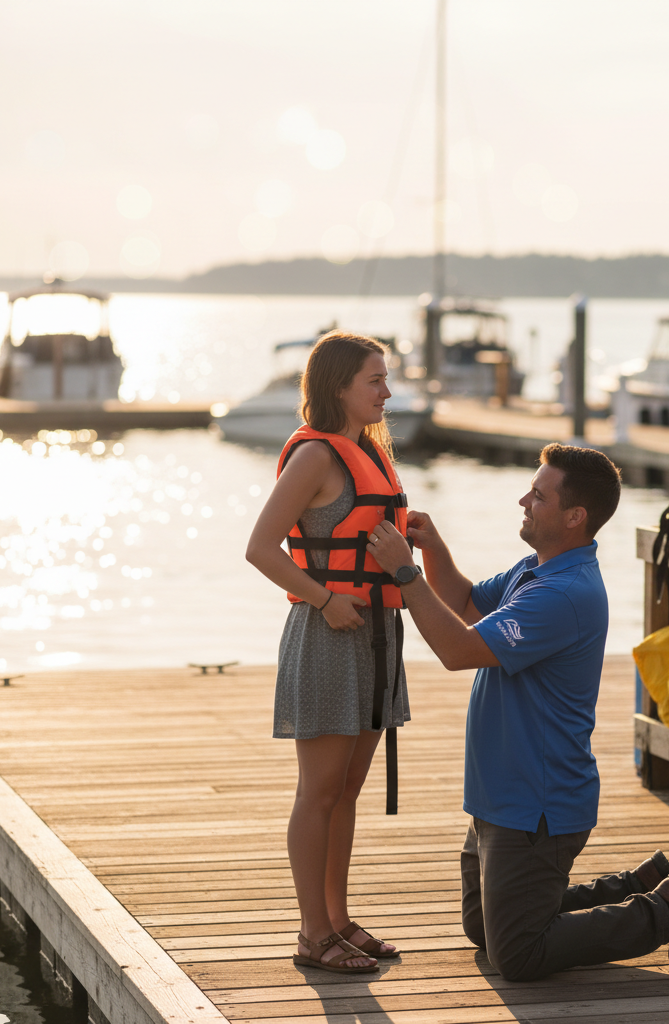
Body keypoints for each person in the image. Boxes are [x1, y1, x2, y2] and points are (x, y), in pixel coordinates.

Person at [367, 442, 669, 981]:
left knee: (517, 954)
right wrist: (432, 549)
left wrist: (403, 573)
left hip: (536, 806)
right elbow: (466, 603)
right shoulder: (538, 569)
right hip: (500, 795)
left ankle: (665, 912)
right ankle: (640, 883)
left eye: (538, 495)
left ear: (574, 516)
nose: (524, 500)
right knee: (482, 929)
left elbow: (458, 650)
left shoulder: (563, 594)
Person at [246, 330, 410, 975]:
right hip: (328, 634)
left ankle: (339, 921)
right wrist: (321, 598)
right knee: (318, 792)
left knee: (346, 791)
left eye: (386, 379)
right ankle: (313, 934)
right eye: (375, 380)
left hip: (378, 637)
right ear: (338, 385)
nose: (387, 392)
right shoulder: (314, 457)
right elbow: (260, 548)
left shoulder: (369, 451)